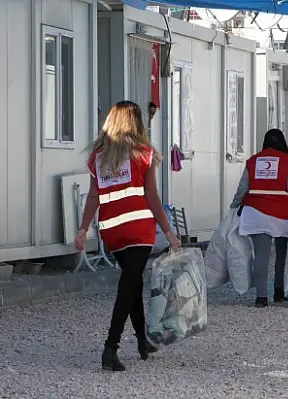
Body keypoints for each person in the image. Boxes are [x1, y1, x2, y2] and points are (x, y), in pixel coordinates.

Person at [75, 101, 181, 372]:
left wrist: (83, 228)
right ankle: (111, 347)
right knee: (129, 283)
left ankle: (142, 342)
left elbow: (94, 196)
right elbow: (152, 196)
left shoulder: (98, 156)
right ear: (136, 124)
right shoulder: (143, 153)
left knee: (131, 280)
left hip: (112, 230)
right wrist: (169, 231)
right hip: (139, 228)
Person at [230, 129, 288, 307]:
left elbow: (242, 188)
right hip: (283, 213)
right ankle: (279, 291)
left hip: (255, 211)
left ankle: (261, 297)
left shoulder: (253, 161)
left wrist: (234, 205)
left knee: (261, 255)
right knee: (283, 253)